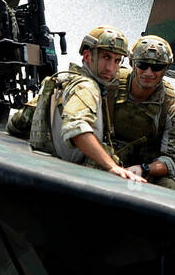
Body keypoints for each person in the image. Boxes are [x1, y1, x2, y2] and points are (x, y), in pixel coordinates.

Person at [28, 26, 146, 181]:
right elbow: (76, 126)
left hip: (50, 169)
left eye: (117, 60)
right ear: (87, 56)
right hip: (77, 177)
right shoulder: (87, 88)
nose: (111, 67)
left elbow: (19, 121)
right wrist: (111, 166)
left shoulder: (62, 81)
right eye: (106, 57)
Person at [107, 35, 175, 190]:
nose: (149, 72)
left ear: (165, 69)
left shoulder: (173, 109)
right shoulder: (109, 85)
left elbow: (174, 160)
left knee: (168, 184)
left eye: (157, 67)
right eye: (143, 65)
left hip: (141, 172)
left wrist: (145, 169)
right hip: (103, 158)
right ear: (132, 63)